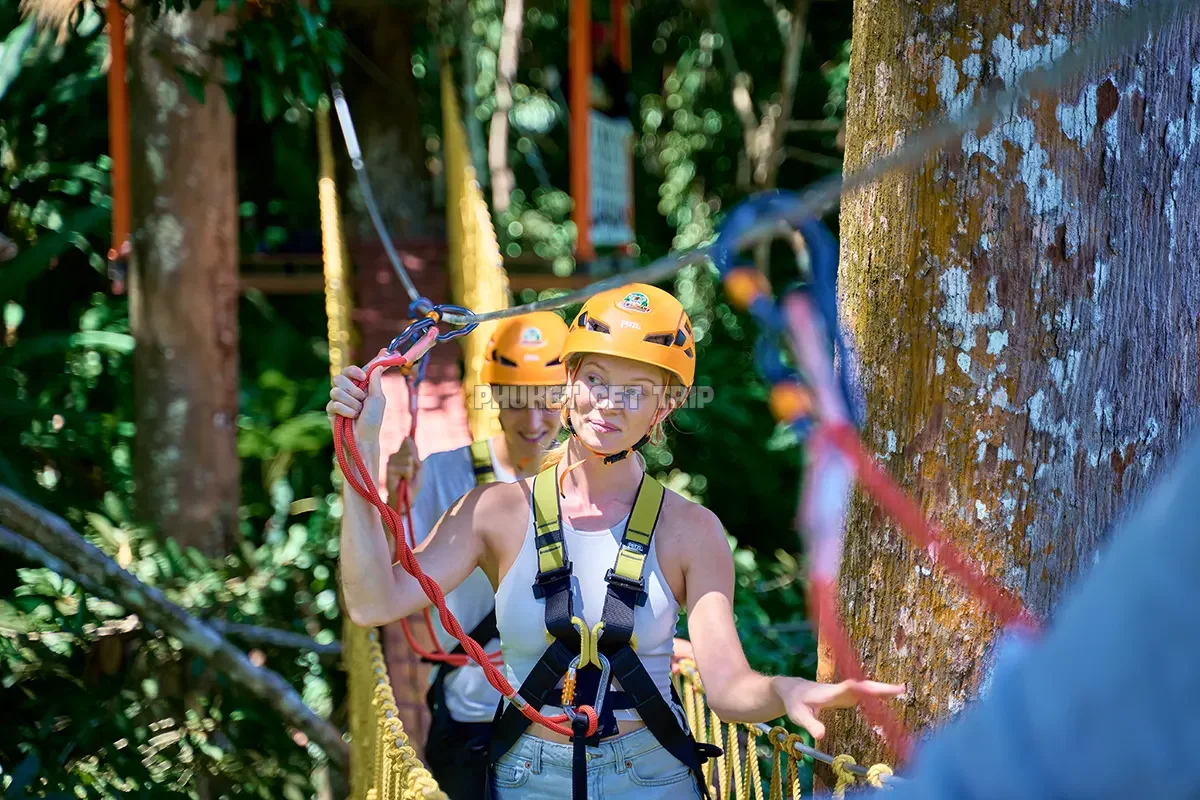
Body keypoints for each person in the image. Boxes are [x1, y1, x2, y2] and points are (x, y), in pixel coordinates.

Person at [329, 283, 904, 800]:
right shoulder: (496, 511)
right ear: (568, 383)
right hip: (527, 774)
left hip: (652, 776)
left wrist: (784, 689)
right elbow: (374, 603)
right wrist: (360, 454)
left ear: (666, 406)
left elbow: (727, 688)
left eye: (636, 390)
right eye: (595, 379)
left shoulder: (691, 530)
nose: (607, 402)